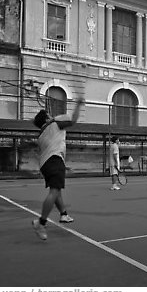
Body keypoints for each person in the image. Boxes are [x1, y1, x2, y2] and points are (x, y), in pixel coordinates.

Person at [31, 97, 85, 241]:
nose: (51, 115)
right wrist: (79, 105)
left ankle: (64, 214)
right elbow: (73, 121)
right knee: (55, 191)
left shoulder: (41, 135)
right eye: (48, 114)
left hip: (45, 165)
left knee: (56, 190)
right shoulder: (54, 123)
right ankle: (40, 223)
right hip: (54, 160)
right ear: (47, 118)